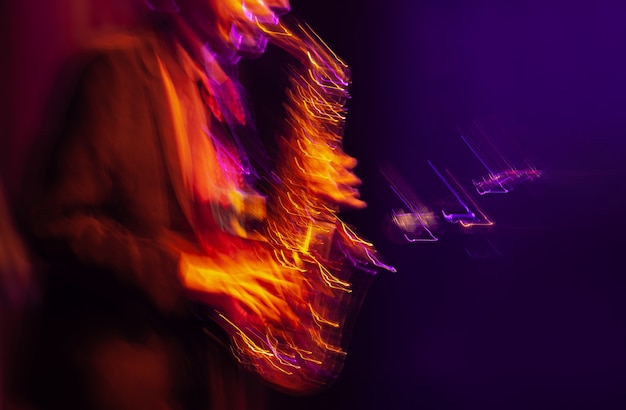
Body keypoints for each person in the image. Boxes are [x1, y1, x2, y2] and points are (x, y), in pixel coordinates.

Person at [11, 0, 388, 409]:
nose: (278, 4)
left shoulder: (225, 95)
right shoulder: (113, 70)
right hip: (114, 379)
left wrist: (304, 207)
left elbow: (229, 223)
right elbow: (52, 222)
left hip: (199, 379)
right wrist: (193, 273)